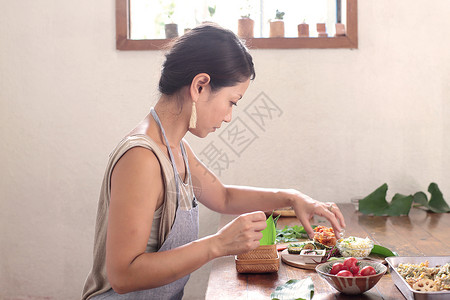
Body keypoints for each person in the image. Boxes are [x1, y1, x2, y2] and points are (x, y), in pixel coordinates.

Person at [82, 23, 346, 300]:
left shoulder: (177, 148)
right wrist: (218, 244)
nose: (229, 116)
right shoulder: (141, 158)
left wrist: (291, 197)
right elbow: (123, 275)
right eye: (232, 101)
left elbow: (223, 197)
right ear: (199, 86)